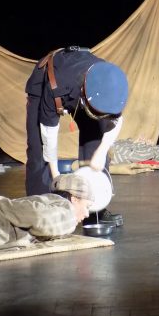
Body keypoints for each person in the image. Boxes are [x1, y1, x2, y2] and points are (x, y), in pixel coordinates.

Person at [25, 46, 128, 225]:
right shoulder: (56, 85)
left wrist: (101, 152)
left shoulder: (109, 83)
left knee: (95, 139)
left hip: (85, 89)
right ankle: (42, 213)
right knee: (38, 148)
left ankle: (92, 209)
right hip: (46, 83)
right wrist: (56, 176)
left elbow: (116, 121)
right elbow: (48, 136)